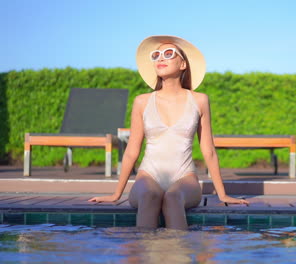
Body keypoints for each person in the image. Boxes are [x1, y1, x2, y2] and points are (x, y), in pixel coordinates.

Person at [89, 35, 249, 230]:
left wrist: (222, 194)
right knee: (150, 196)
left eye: (168, 53)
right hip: (149, 175)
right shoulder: (142, 101)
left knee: (173, 198)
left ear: (182, 64)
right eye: (156, 55)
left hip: (185, 177)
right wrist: (116, 194)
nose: (160, 58)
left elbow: (208, 150)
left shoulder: (199, 100)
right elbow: (132, 151)